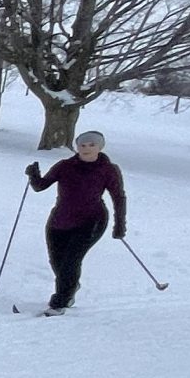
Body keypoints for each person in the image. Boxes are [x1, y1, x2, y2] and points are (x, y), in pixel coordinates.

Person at [25, 131, 125, 312]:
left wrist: (119, 226)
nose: (86, 149)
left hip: (92, 221)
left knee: (71, 261)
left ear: (100, 147)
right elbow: (40, 186)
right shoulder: (65, 166)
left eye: (91, 145)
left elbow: (118, 197)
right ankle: (70, 287)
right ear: (77, 147)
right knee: (58, 262)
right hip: (59, 221)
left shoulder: (108, 169)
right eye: (82, 145)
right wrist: (33, 176)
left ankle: (59, 303)